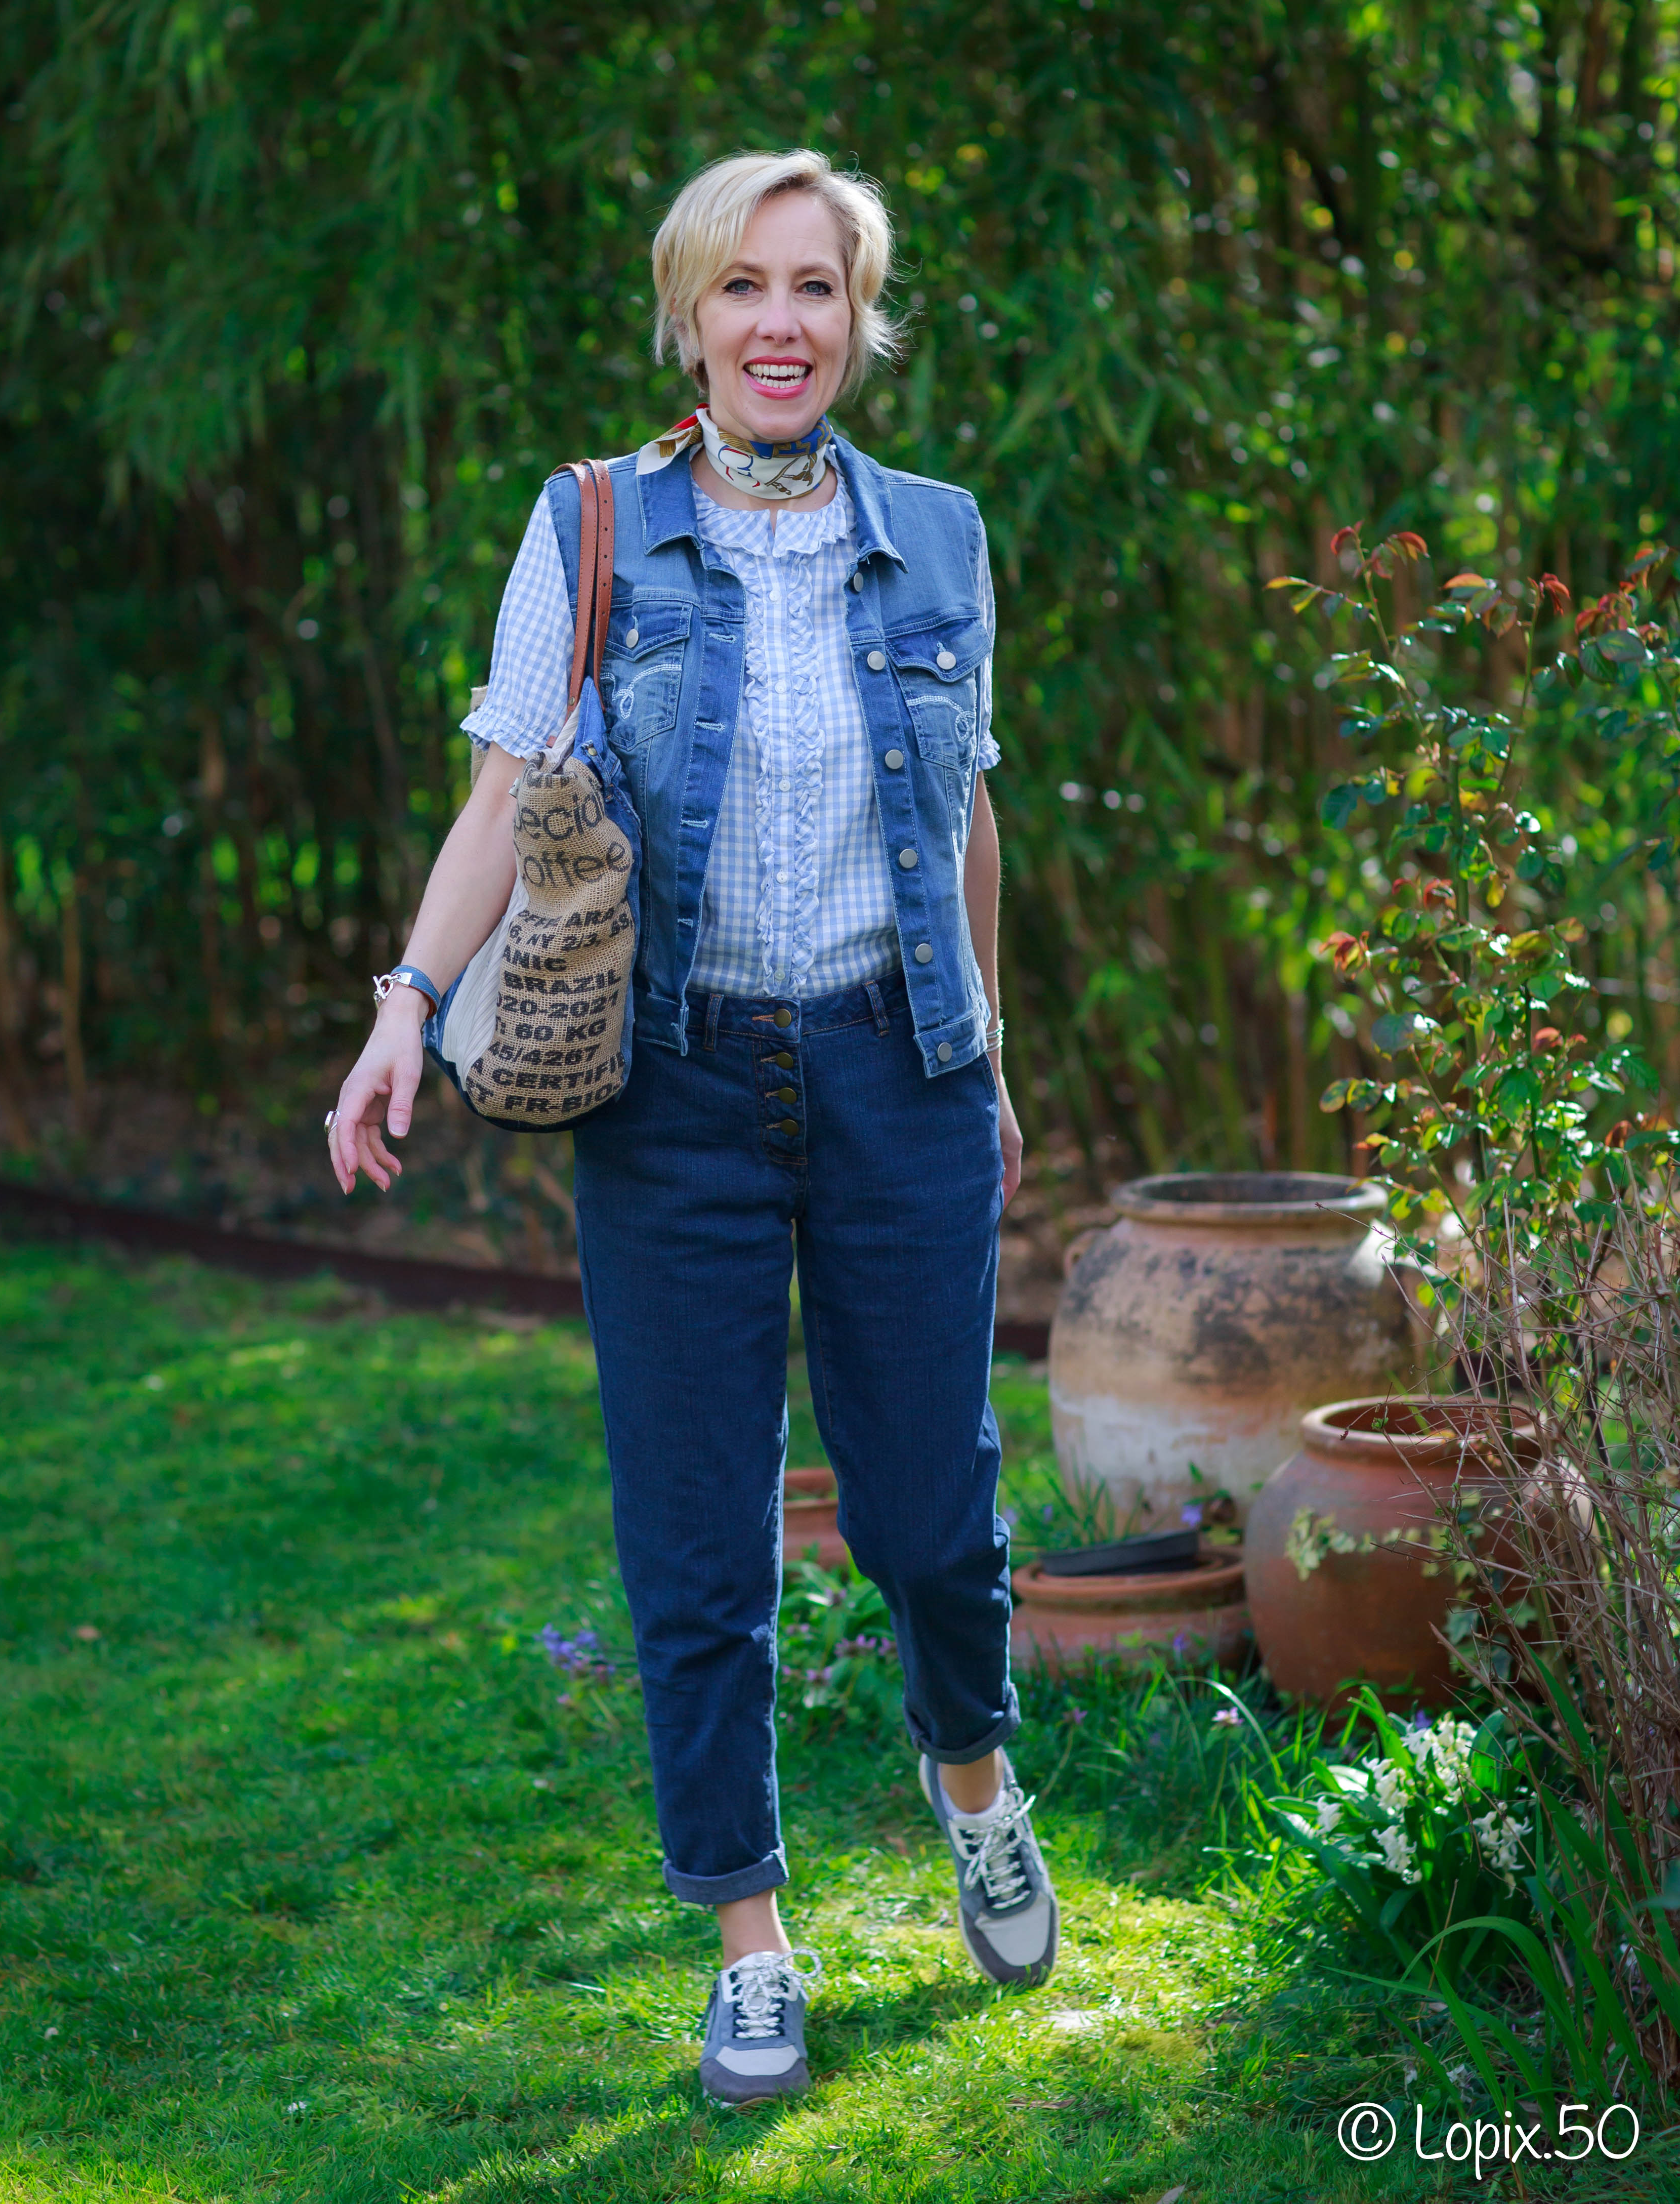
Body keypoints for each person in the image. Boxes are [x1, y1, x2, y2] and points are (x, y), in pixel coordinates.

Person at [327, 148, 1056, 2103]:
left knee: (932, 1514)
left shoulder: (942, 535)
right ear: (687, 315)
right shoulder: (593, 526)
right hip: (674, 1096)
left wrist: (985, 1055)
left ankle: (973, 1777)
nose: (779, 323)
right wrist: (404, 1007)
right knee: (696, 1543)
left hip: (900, 1074)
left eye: (816, 287)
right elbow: (504, 795)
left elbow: (966, 815)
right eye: (743, 286)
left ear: (861, 320)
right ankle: (748, 1937)